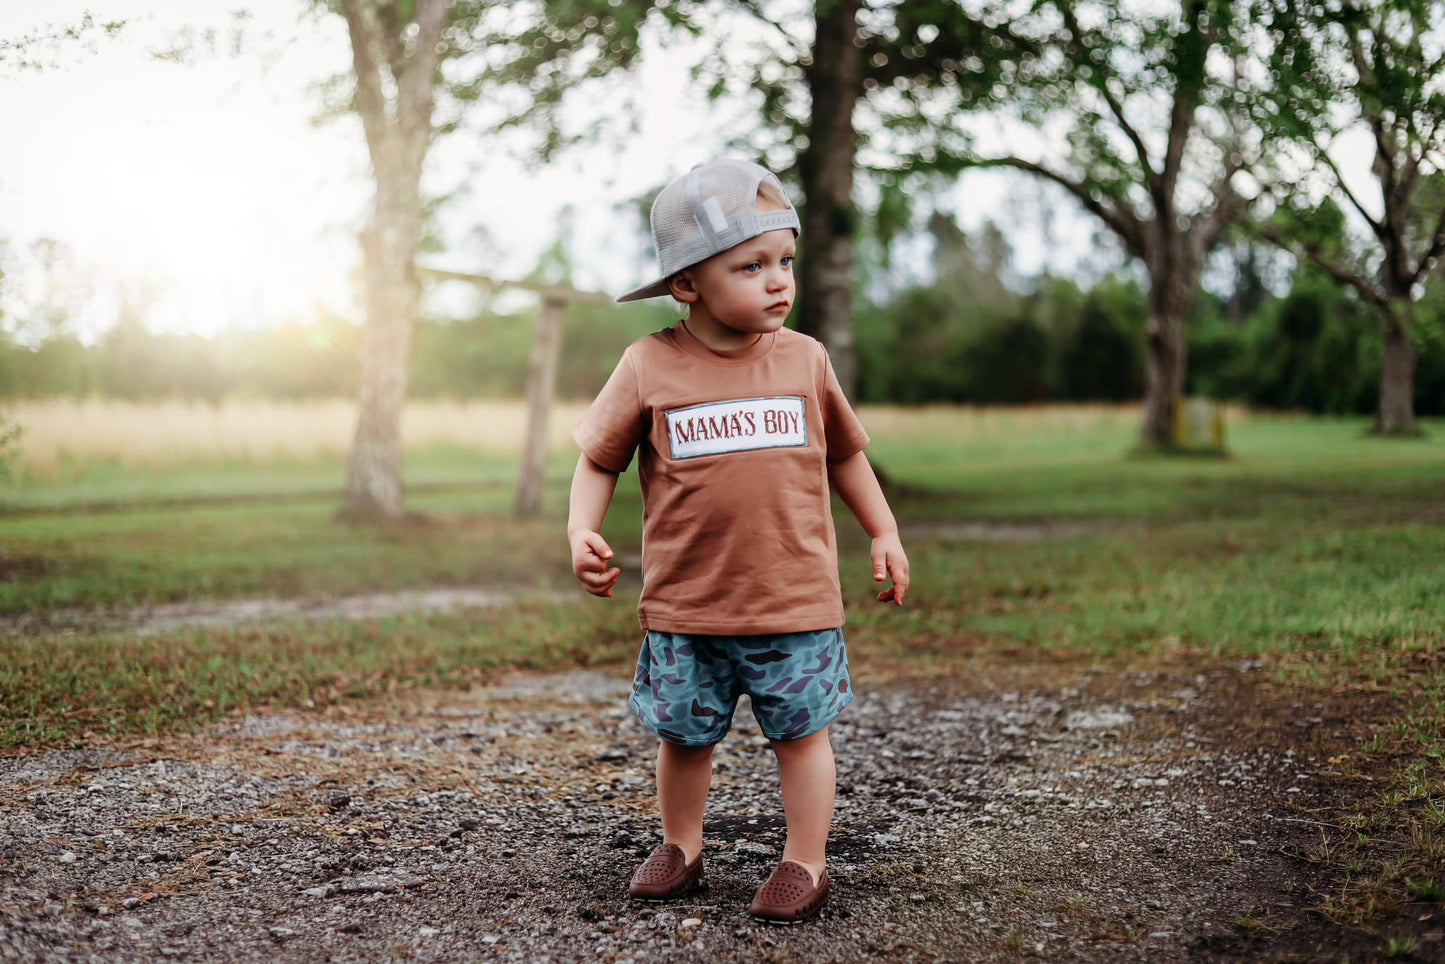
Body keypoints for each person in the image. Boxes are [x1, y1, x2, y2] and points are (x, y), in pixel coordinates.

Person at [567, 158, 910, 925]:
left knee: (801, 736)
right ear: (686, 283)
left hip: (795, 602)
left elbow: (845, 453)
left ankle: (804, 861)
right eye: (750, 266)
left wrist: (882, 531)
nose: (777, 281)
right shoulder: (649, 364)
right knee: (683, 738)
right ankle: (681, 847)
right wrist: (580, 528)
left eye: (784, 261)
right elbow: (598, 458)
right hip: (688, 607)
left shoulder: (804, 359)